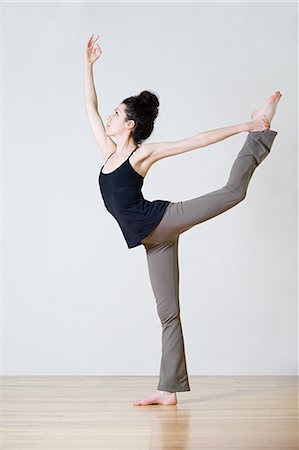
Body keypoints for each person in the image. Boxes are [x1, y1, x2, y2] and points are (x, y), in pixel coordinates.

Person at [84, 34, 282, 406]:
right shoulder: (108, 153)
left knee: (233, 192)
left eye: (115, 114)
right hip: (153, 240)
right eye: (111, 113)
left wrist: (246, 126)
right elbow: (89, 106)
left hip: (163, 220)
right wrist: (89, 65)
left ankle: (262, 128)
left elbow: (198, 141)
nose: (108, 117)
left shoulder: (141, 156)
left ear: (129, 126)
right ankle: (168, 389)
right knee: (168, 314)